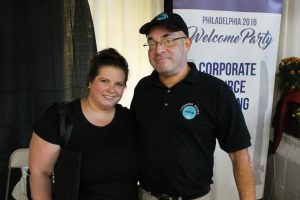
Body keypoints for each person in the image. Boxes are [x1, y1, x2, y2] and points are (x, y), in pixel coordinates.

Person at [131, 12, 255, 200]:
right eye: (152, 42)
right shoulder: (143, 88)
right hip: (146, 195)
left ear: (187, 44)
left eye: (168, 40)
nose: (158, 49)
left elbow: (239, 156)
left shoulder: (216, 91)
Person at [29, 48, 138, 200]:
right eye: (104, 81)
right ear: (89, 81)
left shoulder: (130, 120)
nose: (112, 89)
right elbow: (39, 173)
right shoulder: (60, 118)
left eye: (119, 84)